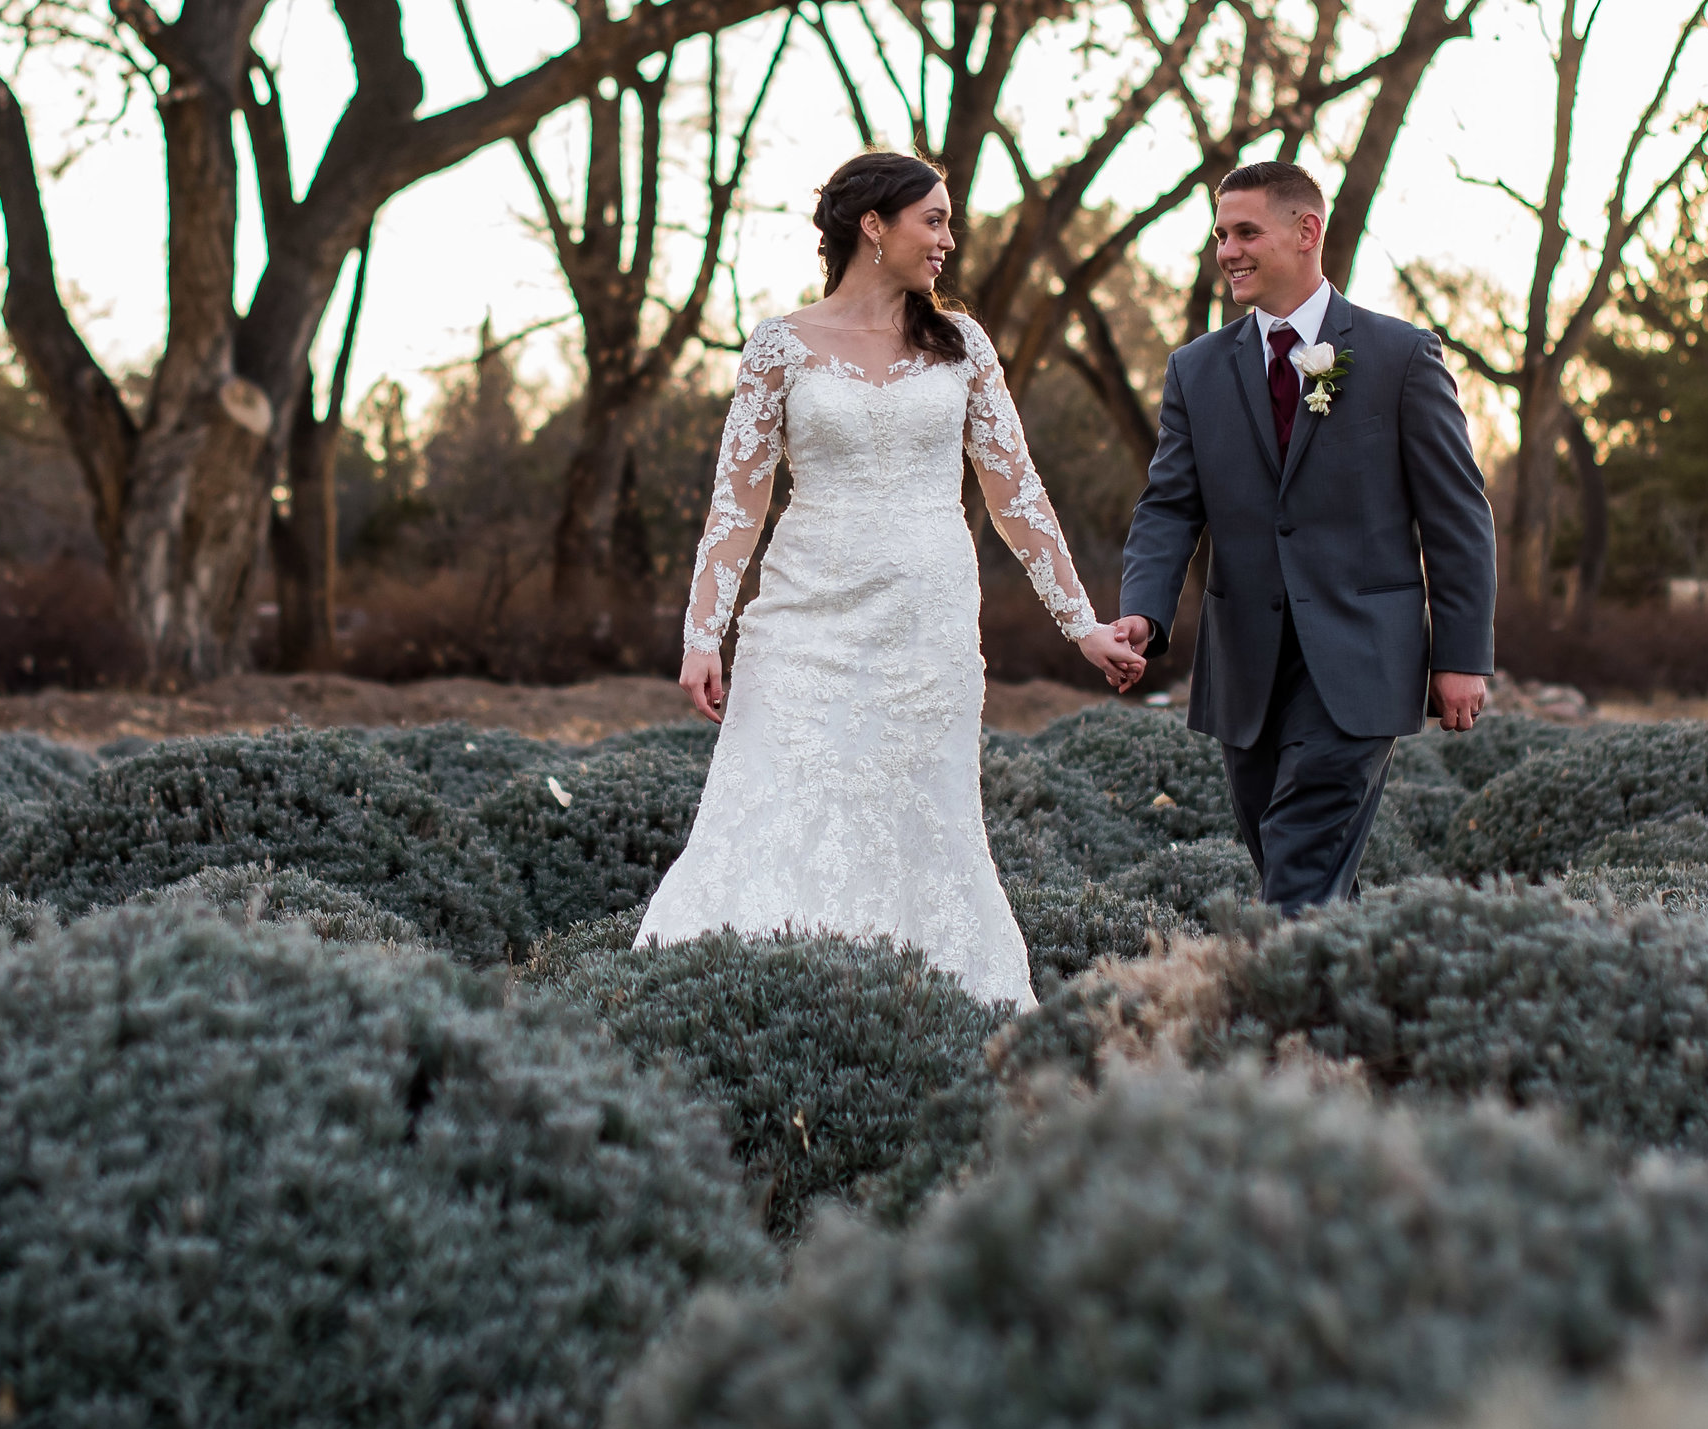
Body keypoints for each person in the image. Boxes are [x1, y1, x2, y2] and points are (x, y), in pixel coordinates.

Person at [641, 151, 1147, 1007]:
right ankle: (744, 1005)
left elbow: (1016, 492)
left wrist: (1083, 624)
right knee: (773, 806)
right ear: (873, 226)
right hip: (804, 624)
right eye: (935, 219)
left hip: (928, 630)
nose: (949, 239)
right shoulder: (780, 346)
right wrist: (703, 632)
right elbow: (738, 503)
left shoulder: (963, 347)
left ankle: (930, 1018)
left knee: (927, 822)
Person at [1114, 161, 1497, 910]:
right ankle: (1351, 1012)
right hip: (1246, 669)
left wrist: (1460, 655)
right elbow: (1168, 506)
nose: (1227, 250)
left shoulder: (1401, 357)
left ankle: (1262, 1021)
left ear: (1306, 231)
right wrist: (1144, 610)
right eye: (1221, 234)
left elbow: (1458, 517)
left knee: (1296, 863)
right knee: (1303, 876)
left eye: (1246, 231)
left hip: (1362, 658)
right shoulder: (1197, 369)